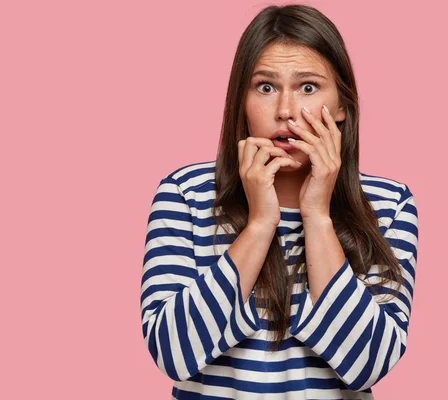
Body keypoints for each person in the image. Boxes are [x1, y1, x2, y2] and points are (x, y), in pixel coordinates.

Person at [140, 4, 418, 400]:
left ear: (341, 106)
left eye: (308, 87)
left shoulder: (389, 205)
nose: (285, 112)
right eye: (265, 87)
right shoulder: (187, 194)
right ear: (242, 101)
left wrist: (317, 217)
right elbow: (173, 354)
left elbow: (368, 365)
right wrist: (259, 225)